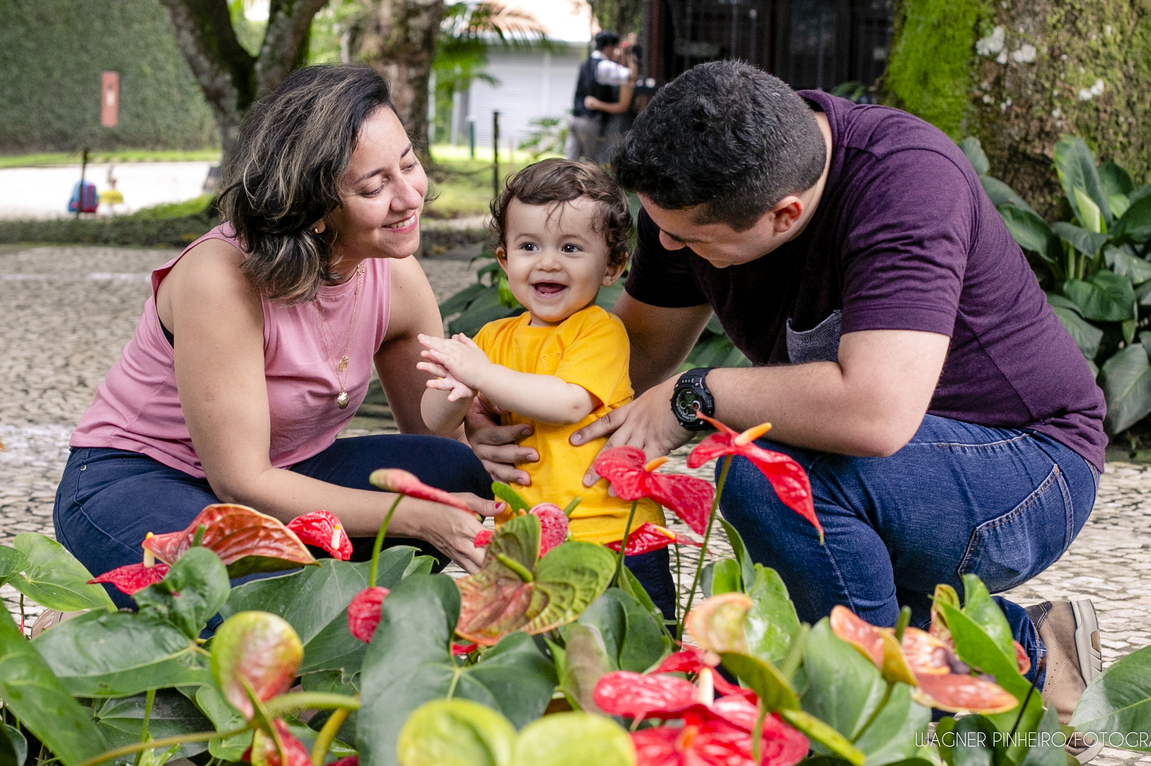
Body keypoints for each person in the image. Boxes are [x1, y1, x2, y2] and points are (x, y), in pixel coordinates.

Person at [470, 61, 1106, 757]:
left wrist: (700, 395)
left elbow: (874, 413)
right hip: (880, 468)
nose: (669, 248)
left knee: (762, 472)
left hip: (1026, 466)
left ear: (786, 215)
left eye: (689, 240)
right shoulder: (697, 184)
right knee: (797, 513)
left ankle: (866, 725)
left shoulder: (905, 181)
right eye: (661, 229)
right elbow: (638, 355)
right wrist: (507, 410)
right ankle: (1033, 648)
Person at [53, 65, 501, 611]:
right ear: (315, 210)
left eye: (408, 164)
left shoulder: (394, 276)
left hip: (288, 474)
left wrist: (484, 418)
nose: (410, 196)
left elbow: (431, 437)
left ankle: (326, 605)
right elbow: (242, 484)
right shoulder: (220, 278)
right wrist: (411, 516)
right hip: (139, 479)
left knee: (453, 476)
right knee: (248, 612)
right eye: (374, 185)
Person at [418, 159, 676, 620]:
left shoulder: (600, 331)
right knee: (532, 660)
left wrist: (480, 376)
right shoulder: (494, 339)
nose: (548, 261)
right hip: (523, 539)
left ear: (613, 266)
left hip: (611, 537)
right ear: (505, 259)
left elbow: (567, 401)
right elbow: (434, 421)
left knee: (637, 655)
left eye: (572, 247)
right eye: (529, 245)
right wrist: (452, 387)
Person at [566, 31, 632, 163]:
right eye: (615, 48)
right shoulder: (603, 65)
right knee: (591, 162)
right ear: (608, 47)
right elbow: (629, 75)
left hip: (575, 118)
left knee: (570, 162)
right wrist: (630, 57)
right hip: (589, 121)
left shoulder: (585, 64)